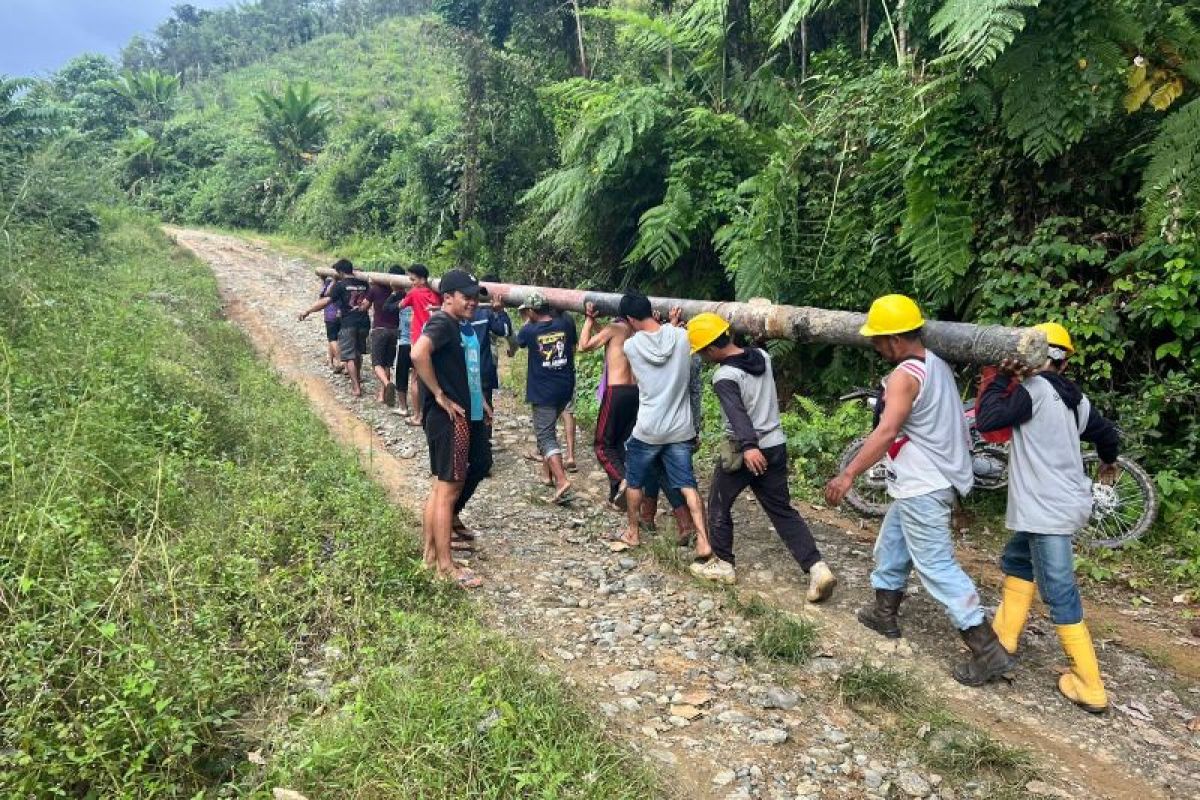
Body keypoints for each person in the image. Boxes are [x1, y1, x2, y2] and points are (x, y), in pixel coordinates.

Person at [824, 294, 1014, 686]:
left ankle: (986, 648)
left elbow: (887, 431)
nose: (875, 347)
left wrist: (848, 475)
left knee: (936, 565)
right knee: (891, 546)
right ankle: (883, 613)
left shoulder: (903, 377)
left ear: (894, 339)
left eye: (877, 340)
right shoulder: (938, 366)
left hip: (923, 484)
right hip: (923, 481)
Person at [975, 322, 1120, 713]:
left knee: (1059, 592)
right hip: (1061, 503)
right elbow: (1108, 437)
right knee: (1019, 561)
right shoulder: (1077, 400)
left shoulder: (1032, 392)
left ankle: (1090, 685)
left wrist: (1001, 377)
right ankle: (1003, 638)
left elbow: (987, 419)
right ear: (1065, 362)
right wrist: (1108, 464)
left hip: (1046, 511)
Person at [687, 312, 837, 603]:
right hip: (776, 444)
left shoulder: (724, 376)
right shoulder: (761, 357)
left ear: (711, 348)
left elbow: (737, 412)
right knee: (782, 510)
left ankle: (724, 564)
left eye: (703, 352)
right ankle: (817, 568)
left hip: (747, 450)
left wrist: (748, 446)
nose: (703, 357)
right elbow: (755, 348)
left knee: (718, 502)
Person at [612, 292, 712, 562]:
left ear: (631, 319)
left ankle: (633, 531)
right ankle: (703, 540)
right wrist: (672, 324)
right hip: (680, 428)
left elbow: (647, 350)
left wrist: (665, 326)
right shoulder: (682, 337)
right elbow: (673, 340)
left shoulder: (632, 346)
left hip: (648, 428)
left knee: (634, 480)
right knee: (687, 484)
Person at [409, 269, 493, 588]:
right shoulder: (443, 322)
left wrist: (480, 400)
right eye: (466, 296)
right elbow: (418, 353)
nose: (473, 301)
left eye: (475, 296)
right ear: (448, 297)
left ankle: (431, 556)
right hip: (448, 418)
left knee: (442, 488)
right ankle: (446, 567)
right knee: (448, 490)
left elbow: (464, 369)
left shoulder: (459, 326)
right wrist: (439, 394)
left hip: (463, 414)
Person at [516, 292, 577, 505]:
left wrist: (525, 321)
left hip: (543, 393)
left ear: (532, 311)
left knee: (545, 436)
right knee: (549, 430)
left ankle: (561, 481)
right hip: (564, 389)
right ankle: (548, 475)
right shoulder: (565, 325)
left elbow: (515, 345)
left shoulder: (530, 330)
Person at [299, 259, 370, 397]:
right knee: (358, 352)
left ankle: (356, 387)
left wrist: (308, 311)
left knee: (349, 356)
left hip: (348, 323)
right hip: (364, 322)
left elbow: (326, 301)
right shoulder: (364, 283)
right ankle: (359, 376)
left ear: (341, 272)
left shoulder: (340, 285)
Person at [400, 264, 441, 425]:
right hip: (434, 340)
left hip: (418, 340)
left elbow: (401, 305)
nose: (411, 282)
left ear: (423, 279)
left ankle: (418, 416)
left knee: (416, 378)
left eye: (413, 279)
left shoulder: (414, 293)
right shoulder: (435, 295)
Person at [367, 265, 404, 406]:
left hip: (379, 329)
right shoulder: (403, 293)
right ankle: (382, 395)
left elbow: (365, 305)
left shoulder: (376, 289)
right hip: (395, 331)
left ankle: (387, 383)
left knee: (377, 363)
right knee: (388, 363)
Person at [316, 274, 342, 371]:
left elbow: (324, 294)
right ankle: (331, 361)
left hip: (331, 314)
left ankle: (339, 362)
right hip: (342, 314)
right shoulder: (344, 283)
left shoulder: (331, 283)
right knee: (334, 339)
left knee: (332, 339)